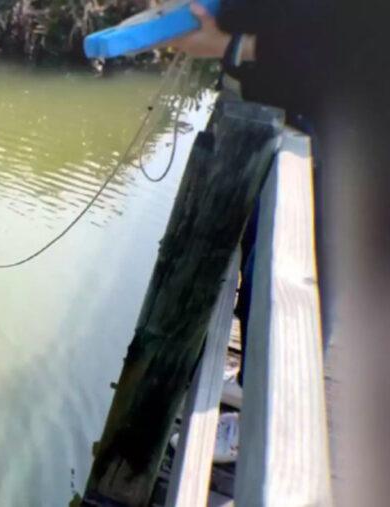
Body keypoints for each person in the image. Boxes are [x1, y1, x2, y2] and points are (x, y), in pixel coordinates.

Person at [164, 0, 333, 383]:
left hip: (324, 137)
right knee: (252, 263)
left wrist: (233, 45)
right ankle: (249, 384)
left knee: (294, 281)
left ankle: (273, 399)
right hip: (262, 115)